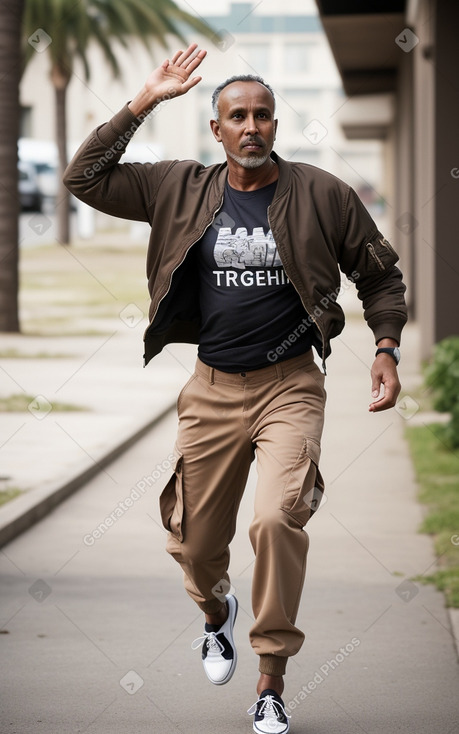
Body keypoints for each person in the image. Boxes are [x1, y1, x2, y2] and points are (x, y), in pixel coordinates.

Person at [64, 43, 407, 734]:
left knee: (276, 519)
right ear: (215, 129)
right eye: (236, 117)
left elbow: (379, 276)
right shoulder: (177, 187)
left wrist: (385, 347)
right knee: (193, 545)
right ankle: (216, 615)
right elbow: (84, 179)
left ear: (276, 125)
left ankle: (270, 681)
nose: (251, 127)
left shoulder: (322, 194)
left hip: (290, 388)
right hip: (211, 389)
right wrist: (141, 102)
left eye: (262, 116)